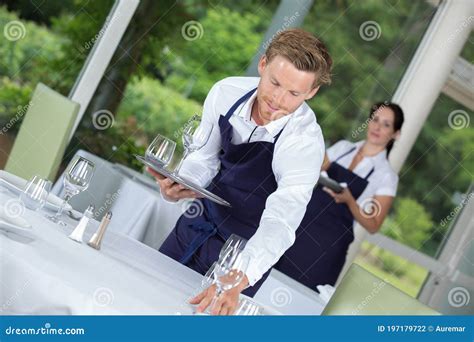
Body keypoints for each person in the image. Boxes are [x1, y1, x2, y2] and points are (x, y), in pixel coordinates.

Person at [147, 28, 332, 315]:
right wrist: (184, 183)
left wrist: (237, 277)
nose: (278, 100)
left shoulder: (304, 142)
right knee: (141, 302)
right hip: (196, 225)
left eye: (294, 93)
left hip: (241, 259)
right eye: (274, 83)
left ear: (312, 92)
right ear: (263, 64)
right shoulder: (225, 92)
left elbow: (282, 219)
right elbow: (204, 157)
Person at [274, 102, 405, 289]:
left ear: (395, 134)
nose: (377, 127)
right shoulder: (343, 148)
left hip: (326, 247)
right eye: (375, 119)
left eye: (386, 124)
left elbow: (374, 225)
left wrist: (350, 201)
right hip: (298, 227)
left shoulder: (386, 176)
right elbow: (310, 172)